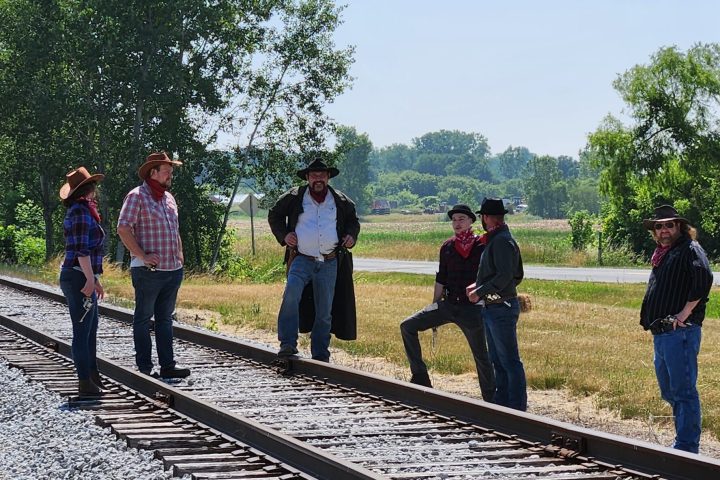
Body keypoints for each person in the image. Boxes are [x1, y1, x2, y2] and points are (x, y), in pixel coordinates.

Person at [268, 158, 360, 362]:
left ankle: (320, 355)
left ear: (328, 178)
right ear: (308, 178)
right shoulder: (294, 197)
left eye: (322, 175)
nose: (318, 179)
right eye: (314, 175)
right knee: (291, 296)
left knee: (325, 309)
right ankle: (287, 344)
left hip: (329, 261)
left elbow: (354, 221)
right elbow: (274, 214)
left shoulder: (341, 201)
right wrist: (284, 236)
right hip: (301, 258)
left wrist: (351, 237)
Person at [400, 205, 495, 400]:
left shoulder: (482, 245)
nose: (457, 223)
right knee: (408, 326)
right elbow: (441, 278)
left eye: (461, 219)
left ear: (471, 222)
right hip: (448, 305)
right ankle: (420, 377)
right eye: (454, 220)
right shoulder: (447, 247)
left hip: (472, 310)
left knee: (481, 356)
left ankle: (490, 397)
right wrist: (433, 305)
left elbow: (489, 277)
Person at [640, 205, 713, 453]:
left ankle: (686, 448)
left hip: (680, 332)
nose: (663, 230)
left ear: (679, 227)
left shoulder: (689, 249)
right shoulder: (664, 252)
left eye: (669, 225)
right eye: (659, 226)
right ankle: (683, 438)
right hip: (662, 333)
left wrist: (683, 315)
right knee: (670, 391)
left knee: (683, 391)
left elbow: (703, 279)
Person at [117, 152, 190, 378]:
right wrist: (142, 255)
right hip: (148, 271)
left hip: (171, 270)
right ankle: (145, 367)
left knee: (165, 319)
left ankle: (168, 365)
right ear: (153, 172)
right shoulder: (136, 196)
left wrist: (179, 255)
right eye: (166, 170)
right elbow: (123, 228)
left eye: (171, 170)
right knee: (143, 318)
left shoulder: (169, 198)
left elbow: (174, 230)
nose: (170, 174)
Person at [467, 197, 526, 411]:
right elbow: (512, 275)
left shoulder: (500, 241)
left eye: (483, 216)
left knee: (509, 361)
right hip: (495, 306)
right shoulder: (498, 239)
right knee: (498, 361)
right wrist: (478, 286)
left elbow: (505, 276)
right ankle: (503, 407)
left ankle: (517, 409)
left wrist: (480, 291)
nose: (482, 220)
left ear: (488, 218)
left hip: (501, 307)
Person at [59, 167, 106, 395]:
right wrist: (89, 278)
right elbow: (81, 250)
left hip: (83, 274)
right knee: (82, 329)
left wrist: (95, 279)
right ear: (90, 189)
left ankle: (92, 375)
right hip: (77, 274)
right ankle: (84, 382)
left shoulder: (85, 210)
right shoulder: (79, 211)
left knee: (90, 328)